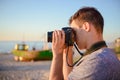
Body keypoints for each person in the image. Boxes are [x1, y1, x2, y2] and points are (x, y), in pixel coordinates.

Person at [49, 7, 120, 80]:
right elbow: (69, 78)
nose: (73, 36)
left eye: (74, 32)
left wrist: (57, 55)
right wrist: (67, 51)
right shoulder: (108, 53)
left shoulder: (95, 62)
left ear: (86, 27)